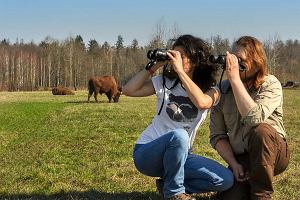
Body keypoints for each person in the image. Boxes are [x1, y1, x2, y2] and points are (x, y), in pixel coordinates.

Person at [123, 34, 234, 200]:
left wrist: (181, 72)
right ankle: (174, 194)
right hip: (147, 153)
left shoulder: (212, 89)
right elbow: (128, 90)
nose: (176, 60)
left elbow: (202, 103)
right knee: (180, 135)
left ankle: (168, 185)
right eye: (174, 55)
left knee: (225, 179)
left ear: (195, 60)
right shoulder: (164, 82)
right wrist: (153, 67)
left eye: (181, 56)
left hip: (180, 156)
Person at [209, 36, 290, 200]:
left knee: (261, 131)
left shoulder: (270, 83)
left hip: (273, 152)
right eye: (233, 58)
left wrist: (235, 80)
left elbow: (254, 118)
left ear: (257, 62)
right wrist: (234, 164)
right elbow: (217, 135)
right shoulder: (223, 90)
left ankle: (261, 195)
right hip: (242, 158)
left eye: (241, 61)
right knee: (231, 197)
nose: (235, 65)